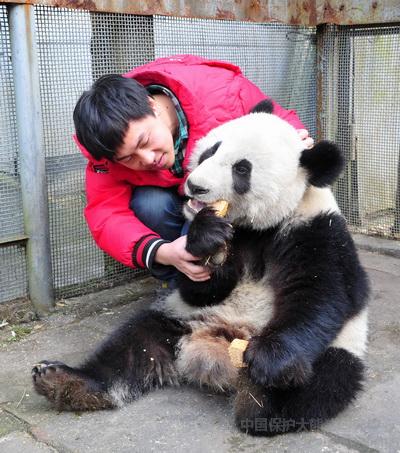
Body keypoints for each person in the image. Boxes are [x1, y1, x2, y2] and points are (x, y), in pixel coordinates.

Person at [73, 55, 313, 286]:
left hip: (226, 202)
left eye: (144, 141)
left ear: (151, 105)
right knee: (149, 204)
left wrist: (296, 139)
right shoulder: (104, 150)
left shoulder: (222, 92)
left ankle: (232, 273)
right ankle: (181, 283)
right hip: (181, 206)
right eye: (128, 158)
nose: (147, 159)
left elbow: (277, 120)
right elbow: (106, 213)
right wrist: (162, 252)